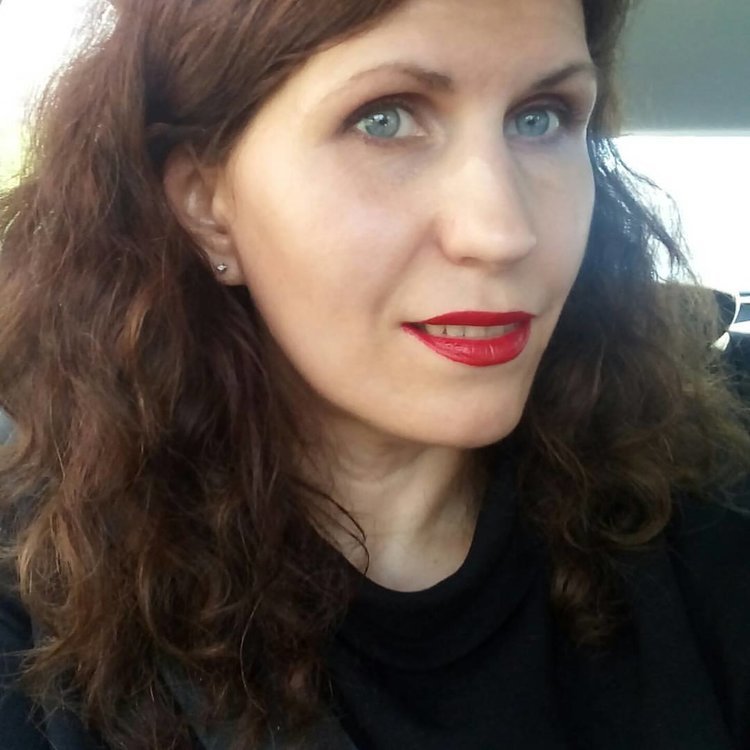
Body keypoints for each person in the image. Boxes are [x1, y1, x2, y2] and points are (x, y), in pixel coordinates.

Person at [0, 0, 749, 748]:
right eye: (384, 119)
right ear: (208, 205)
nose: (502, 232)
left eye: (540, 118)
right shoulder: (35, 617)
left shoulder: (708, 522)